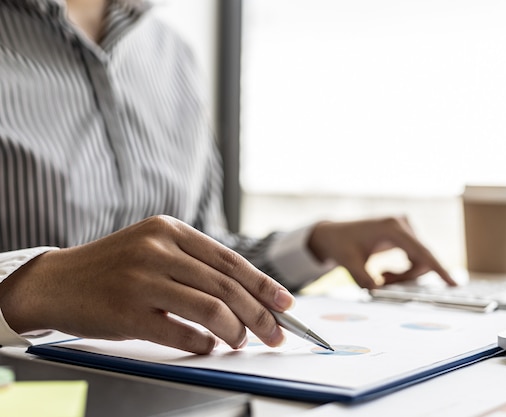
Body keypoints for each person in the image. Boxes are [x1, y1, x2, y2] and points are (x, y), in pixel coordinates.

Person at [0, 0, 455, 355]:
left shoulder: (170, 55)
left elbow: (198, 250)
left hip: (169, 389)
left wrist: (314, 244)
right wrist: (36, 289)